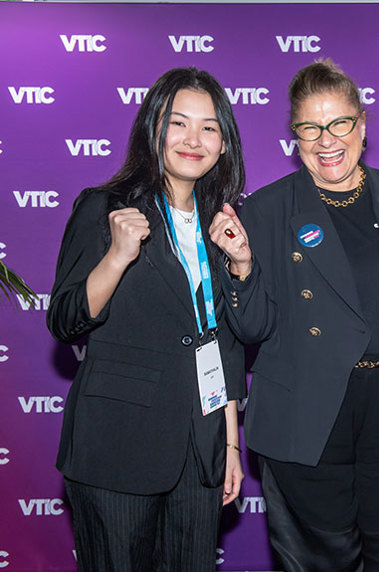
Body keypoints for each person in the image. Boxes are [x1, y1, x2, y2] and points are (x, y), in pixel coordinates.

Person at [210, 59, 379, 571]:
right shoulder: (264, 211)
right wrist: (241, 267)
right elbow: (251, 328)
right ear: (295, 135)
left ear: (362, 124)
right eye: (310, 127)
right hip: (306, 416)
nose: (326, 140)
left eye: (339, 124)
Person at [46, 67, 246, 570]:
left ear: (223, 144)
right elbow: (65, 320)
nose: (192, 139)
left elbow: (217, 341)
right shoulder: (104, 207)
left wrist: (229, 443)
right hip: (118, 445)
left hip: (199, 454)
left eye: (208, 128)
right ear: (152, 129)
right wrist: (116, 257)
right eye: (178, 123)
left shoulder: (219, 225)